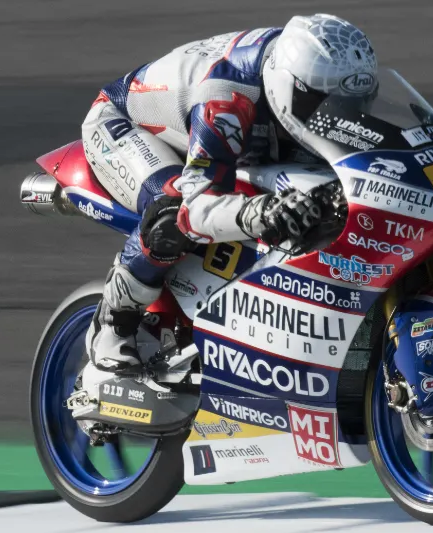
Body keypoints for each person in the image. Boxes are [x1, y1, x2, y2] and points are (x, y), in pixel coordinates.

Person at [82, 14, 377, 372]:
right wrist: (264, 212)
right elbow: (196, 210)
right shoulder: (226, 101)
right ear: (289, 86)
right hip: (123, 125)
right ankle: (113, 322)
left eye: (354, 105)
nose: (337, 117)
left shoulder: (319, 73)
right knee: (172, 209)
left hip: (236, 135)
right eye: (324, 105)